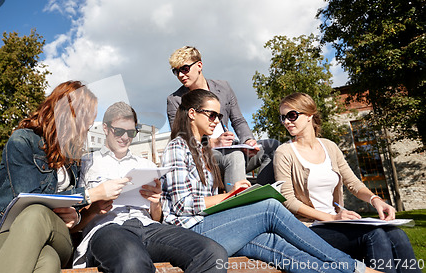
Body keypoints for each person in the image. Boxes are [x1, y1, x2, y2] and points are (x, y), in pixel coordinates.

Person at [160, 89, 382, 273]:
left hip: (208, 227)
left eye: (218, 116)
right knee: (270, 208)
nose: (216, 121)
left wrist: (235, 196)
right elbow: (182, 205)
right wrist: (228, 196)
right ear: (191, 113)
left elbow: (202, 200)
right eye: (212, 115)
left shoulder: (202, 150)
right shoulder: (177, 147)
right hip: (189, 234)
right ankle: (356, 268)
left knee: (273, 244)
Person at [0, 81, 121, 273]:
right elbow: (28, 198)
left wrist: (76, 216)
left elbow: (66, 212)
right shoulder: (22, 141)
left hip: (56, 236)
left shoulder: (72, 156)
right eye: (87, 117)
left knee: (37, 214)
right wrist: (90, 195)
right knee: (47, 261)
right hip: (0, 236)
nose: (89, 125)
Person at [274, 92, 420, 273]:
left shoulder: (330, 147)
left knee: (396, 234)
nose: (287, 121)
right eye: (283, 117)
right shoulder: (284, 152)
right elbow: (287, 200)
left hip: (336, 223)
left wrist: (376, 200)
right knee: (375, 236)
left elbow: (353, 183)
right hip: (309, 228)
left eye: (292, 115)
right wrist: (333, 218)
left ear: (309, 115)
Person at [73, 101, 227, 272]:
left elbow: (156, 217)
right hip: (108, 228)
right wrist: (94, 208)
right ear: (105, 128)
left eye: (131, 132)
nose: (125, 138)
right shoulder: (87, 163)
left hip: (148, 227)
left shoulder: (146, 164)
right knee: (132, 261)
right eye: (119, 131)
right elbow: (74, 223)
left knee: (213, 253)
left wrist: (155, 203)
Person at [167, 46, 280, 190]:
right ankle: (239, 205)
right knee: (234, 155)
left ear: (199, 65)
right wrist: (213, 142)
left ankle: (262, 194)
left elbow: (238, 119)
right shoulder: (175, 100)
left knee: (273, 146)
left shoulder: (224, 87)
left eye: (184, 69)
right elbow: (180, 135)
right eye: (176, 72)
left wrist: (248, 141)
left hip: (232, 147)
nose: (180, 75)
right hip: (205, 156)